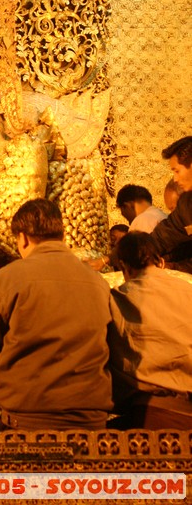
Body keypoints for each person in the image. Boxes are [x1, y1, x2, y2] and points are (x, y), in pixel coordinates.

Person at [0, 198, 113, 431]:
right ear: (62, 236)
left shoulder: (10, 279)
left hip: (28, 423)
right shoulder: (99, 283)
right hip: (91, 425)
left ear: (22, 238)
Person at [108, 231, 192, 429]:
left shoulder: (118, 298)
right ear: (160, 262)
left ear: (124, 268)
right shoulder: (188, 289)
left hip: (148, 415)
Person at [152, 136, 192, 273]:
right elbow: (162, 237)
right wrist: (111, 258)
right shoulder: (187, 204)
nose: (175, 179)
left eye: (177, 171)